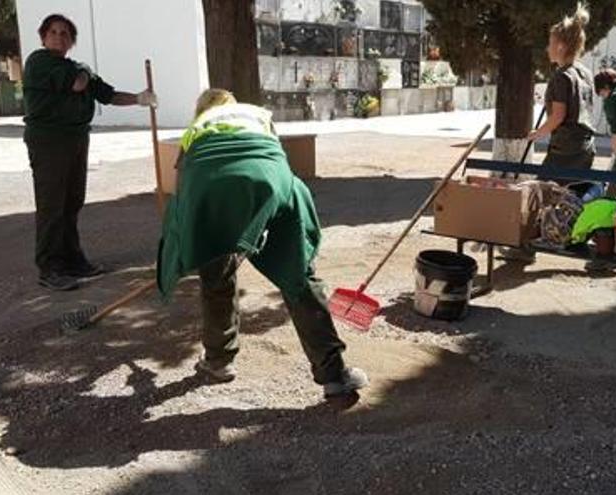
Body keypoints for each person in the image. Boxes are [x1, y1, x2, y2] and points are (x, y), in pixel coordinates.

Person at [156, 89, 368, 398]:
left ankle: (218, 361)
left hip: (210, 188)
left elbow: (184, 186)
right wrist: (260, 223)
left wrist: (193, 242)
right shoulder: (256, 114)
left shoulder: (197, 129)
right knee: (298, 274)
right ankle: (333, 373)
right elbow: (271, 163)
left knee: (217, 275)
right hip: (270, 176)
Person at [23, 14, 157, 291]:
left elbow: (107, 95)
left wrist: (139, 99)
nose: (59, 37)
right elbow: (78, 84)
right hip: (49, 141)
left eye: (65, 33)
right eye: (54, 32)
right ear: (43, 37)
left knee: (72, 202)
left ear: (72, 40)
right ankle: (50, 268)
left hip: (75, 138)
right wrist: (84, 71)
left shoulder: (75, 67)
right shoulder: (40, 62)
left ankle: (73, 260)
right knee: (52, 206)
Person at [527, 4, 597, 174]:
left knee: (542, 194)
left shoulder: (562, 76)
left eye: (550, 43)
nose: (547, 48)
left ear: (561, 46)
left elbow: (558, 116)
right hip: (586, 146)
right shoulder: (586, 73)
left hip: (566, 150)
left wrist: (537, 134)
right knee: (572, 194)